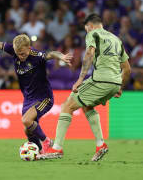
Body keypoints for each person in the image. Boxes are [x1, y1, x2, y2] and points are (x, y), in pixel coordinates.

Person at [39, 14, 131, 161]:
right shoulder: (116, 39)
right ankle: (100, 144)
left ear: (90, 25)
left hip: (101, 79)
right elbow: (127, 68)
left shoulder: (93, 34)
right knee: (87, 106)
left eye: (86, 28)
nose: (86, 31)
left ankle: (56, 148)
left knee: (67, 106)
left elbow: (89, 53)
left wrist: (80, 79)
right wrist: (119, 86)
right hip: (114, 82)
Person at [0, 34, 72, 153]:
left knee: (26, 120)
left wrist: (61, 56)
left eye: (23, 53)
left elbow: (51, 54)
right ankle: (39, 151)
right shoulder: (14, 50)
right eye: (17, 53)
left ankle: (47, 141)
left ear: (29, 48)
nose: (20, 56)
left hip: (44, 98)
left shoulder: (37, 56)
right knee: (28, 130)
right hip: (28, 98)